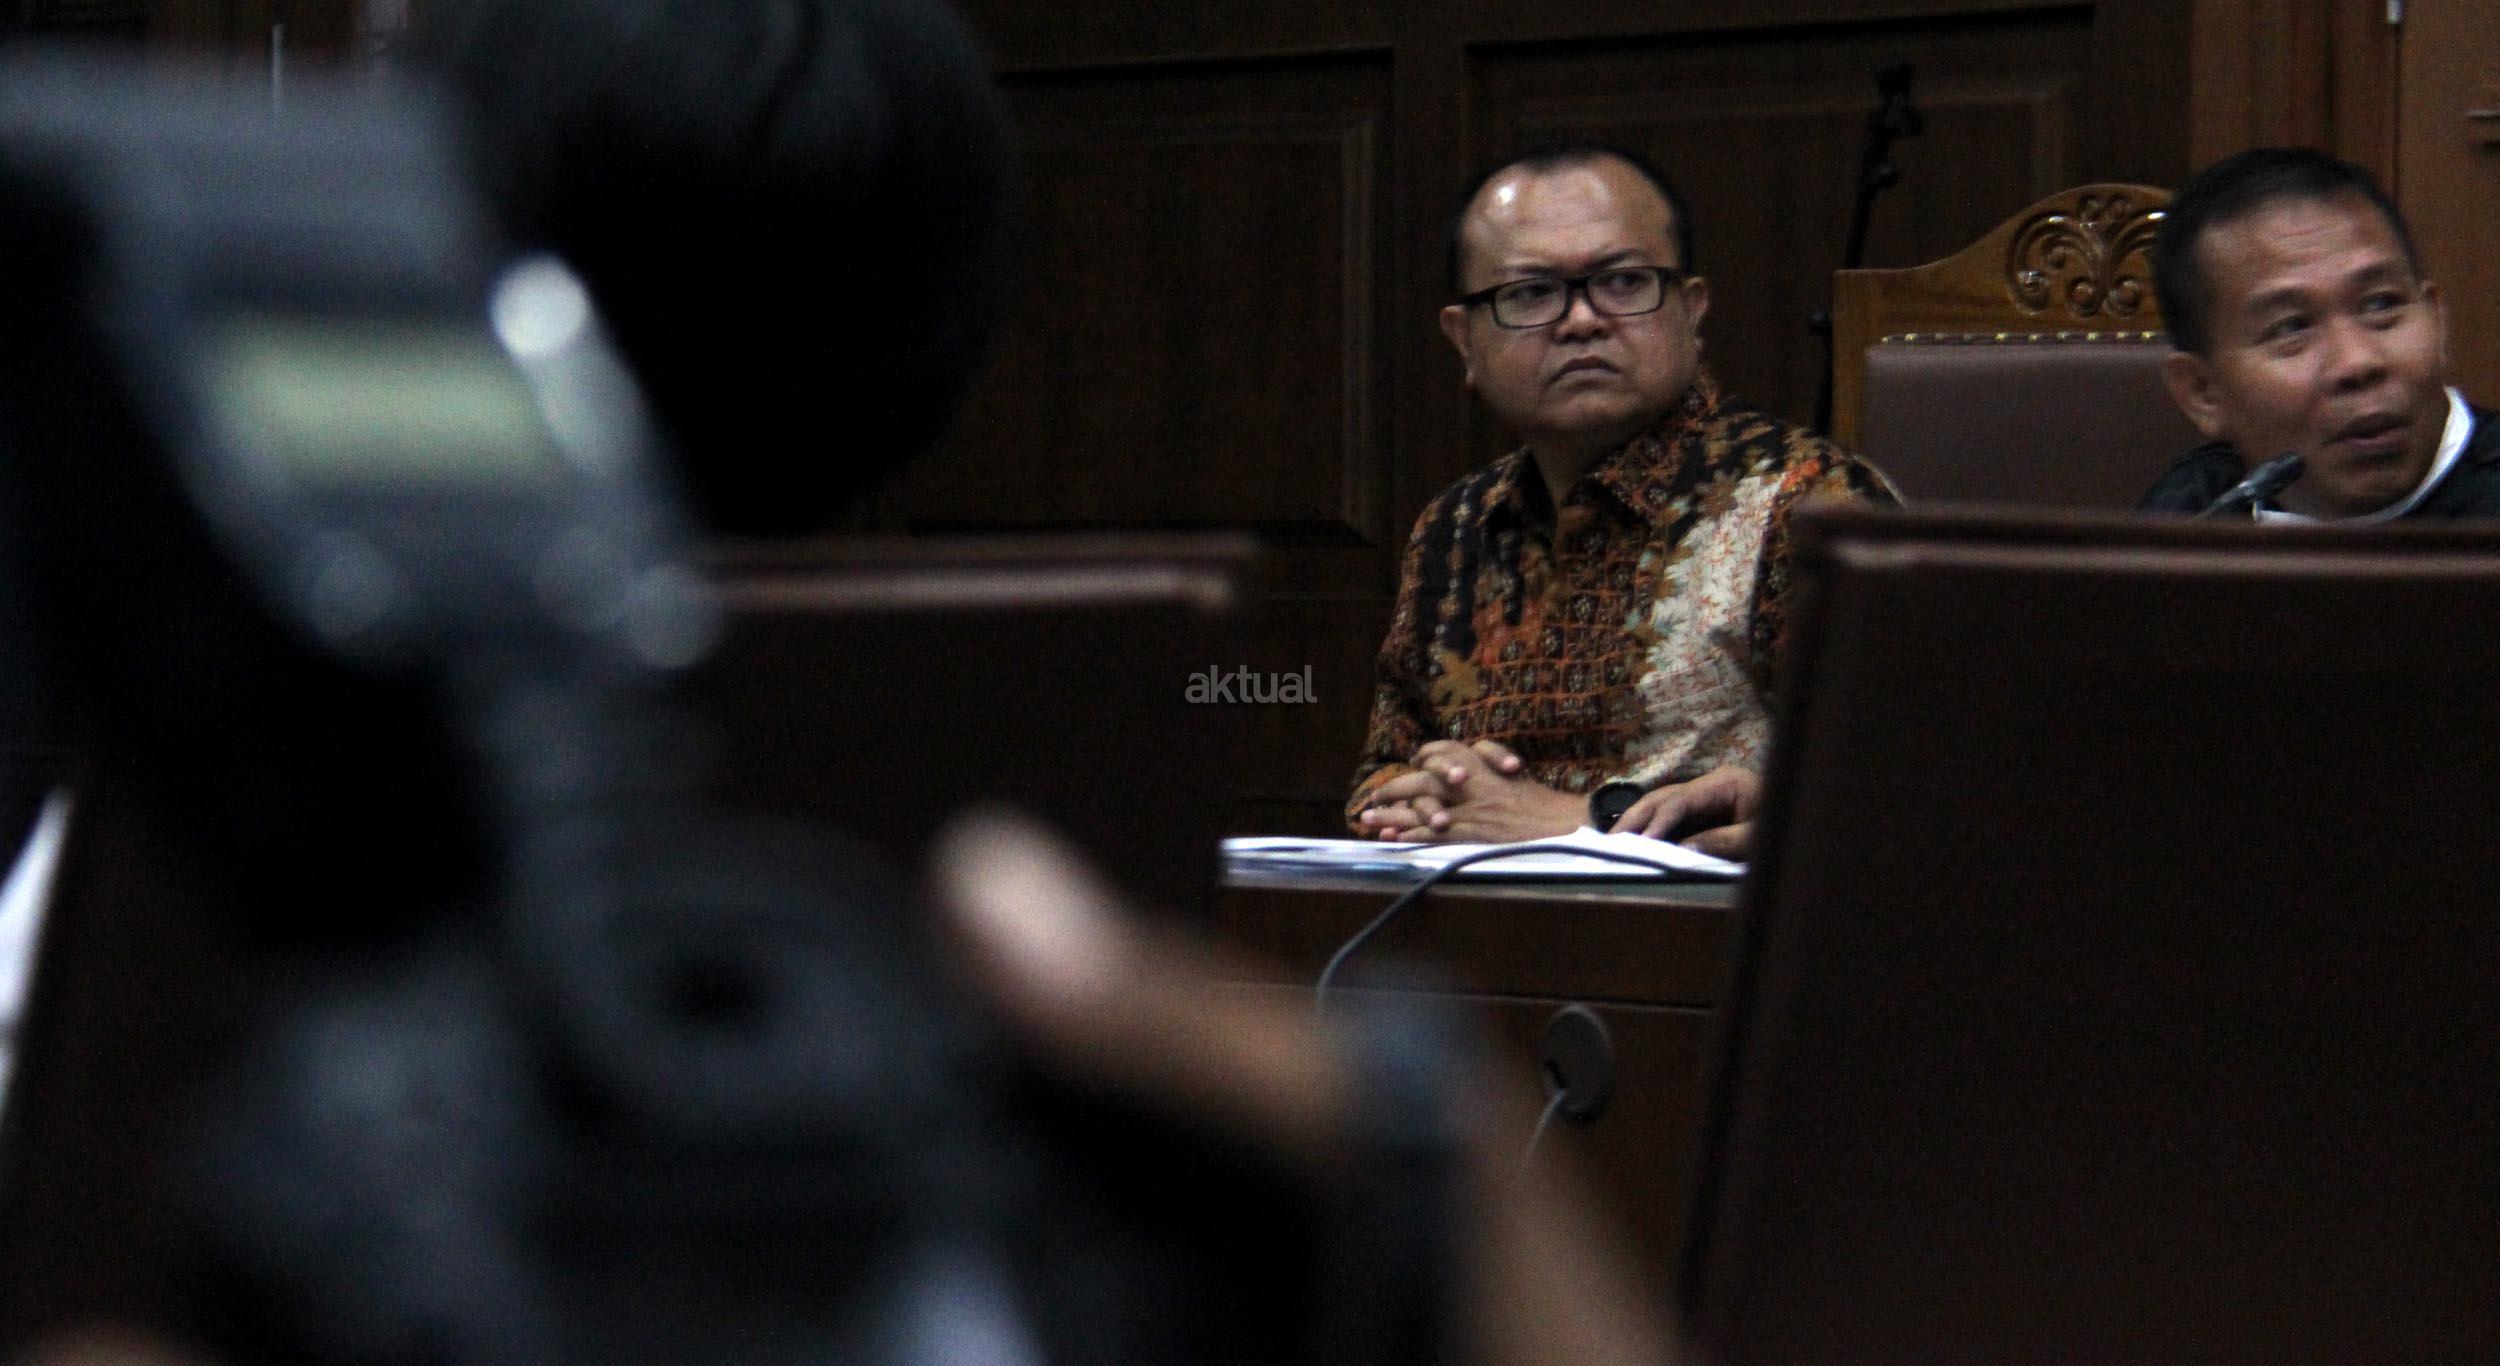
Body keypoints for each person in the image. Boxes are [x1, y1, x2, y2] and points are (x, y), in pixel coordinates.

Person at [1349, 143, 1893, 846]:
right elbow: (1384, 771)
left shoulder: (1807, 503)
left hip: (1697, 914)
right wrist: (1422, 803)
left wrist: (1579, 823)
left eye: (1624, 282)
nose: (1581, 320)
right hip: (1462, 909)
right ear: (1464, 341)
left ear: (1691, 311)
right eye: (1531, 293)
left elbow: (1907, 786)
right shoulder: (1455, 526)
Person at [2141, 147, 2495, 519]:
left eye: (2382, 304)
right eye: (2291, 327)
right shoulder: (2186, 518)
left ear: (2438, 321)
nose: (2357, 362)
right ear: (2203, 392)